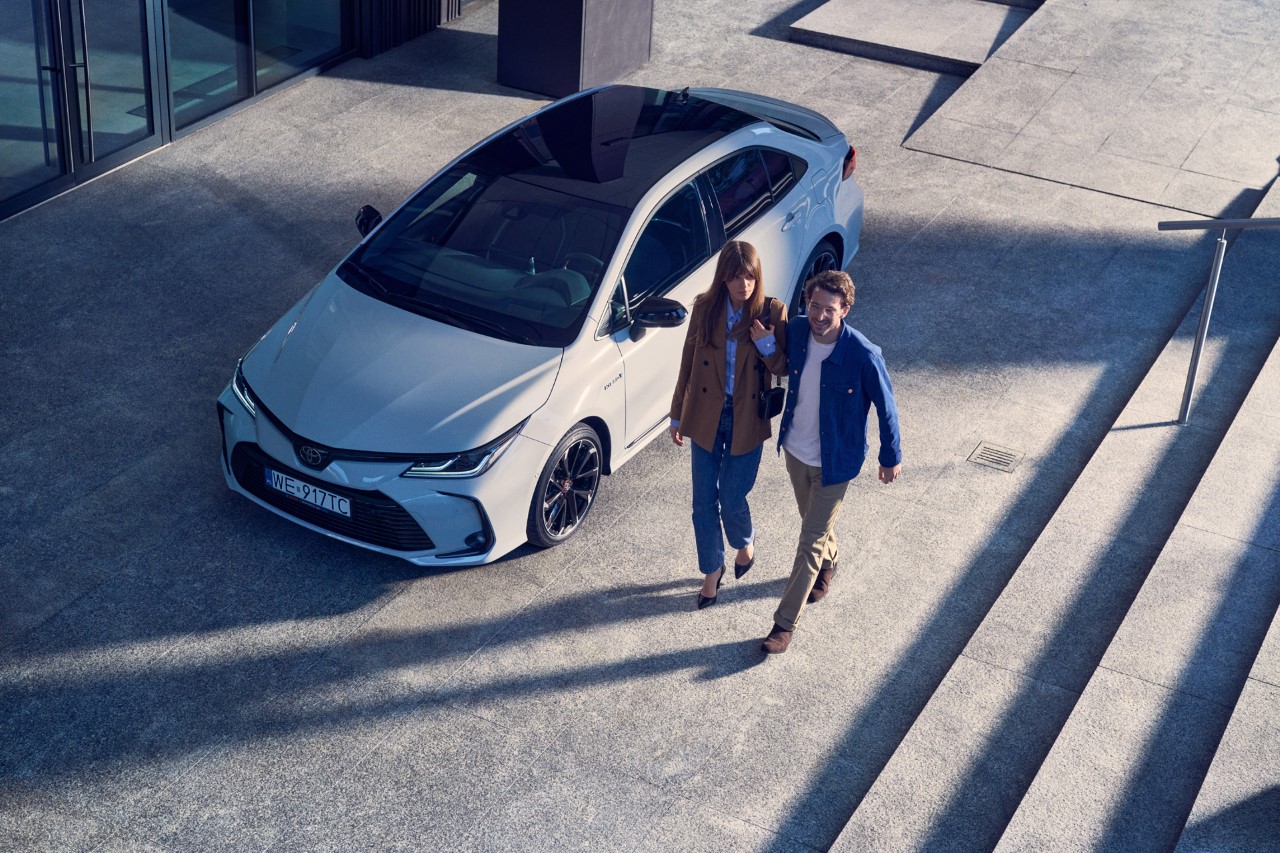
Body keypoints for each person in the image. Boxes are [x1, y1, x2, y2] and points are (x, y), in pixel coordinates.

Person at [761, 270, 902, 654]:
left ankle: (783, 624)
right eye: (814, 306)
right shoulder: (797, 331)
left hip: (835, 462)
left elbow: (887, 409)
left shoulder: (864, 355)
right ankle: (830, 562)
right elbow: (778, 362)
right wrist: (764, 341)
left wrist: (890, 456)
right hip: (795, 450)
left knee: (809, 540)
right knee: (813, 523)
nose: (820, 316)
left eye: (830, 309)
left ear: (845, 310)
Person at [670, 241, 789, 609]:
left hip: (747, 417)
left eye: (750, 276)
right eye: (736, 277)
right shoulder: (705, 308)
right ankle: (712, 571)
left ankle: (744, 543)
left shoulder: (772, 311)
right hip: (706, 414)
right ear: (723, 276)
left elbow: (785, 367)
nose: (744, 284)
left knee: (732, 497)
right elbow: (688, 362)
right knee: (702, 502)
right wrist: (677, 414)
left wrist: (767, 346)